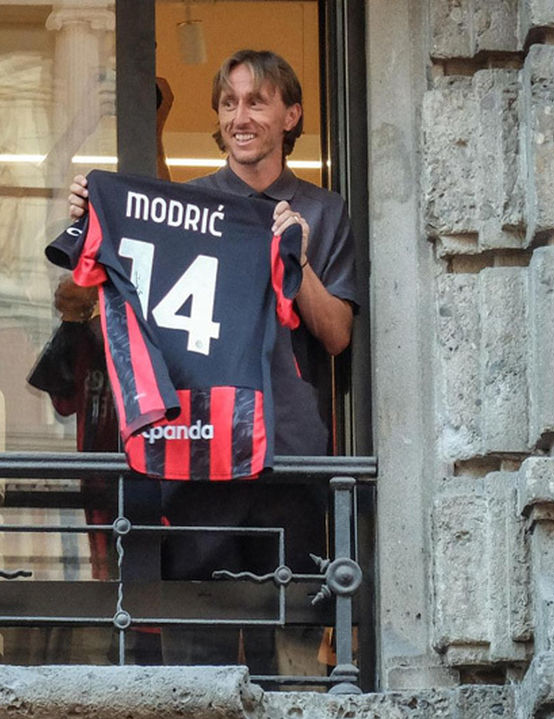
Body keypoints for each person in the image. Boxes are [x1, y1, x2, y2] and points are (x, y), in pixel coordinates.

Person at [64, 50, 359, 673]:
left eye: (256, 102)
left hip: (291, 458)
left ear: (291, 114)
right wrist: (94, 223)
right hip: (201, 451)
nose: (240, 116)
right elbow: (82, 302)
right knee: (197, 661)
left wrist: (295, 259)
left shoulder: (325, 211)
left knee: (296, 662)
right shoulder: (183, 203)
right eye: (229, 104)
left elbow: (336, 336)